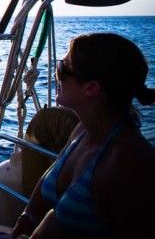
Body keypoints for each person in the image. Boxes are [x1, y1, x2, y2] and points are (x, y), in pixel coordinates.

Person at [11, 33, 155, 238]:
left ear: (91, 88)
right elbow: (46, 183)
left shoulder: (131, 162)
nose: (55, 74)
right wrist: (27, 219)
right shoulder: (82, 132)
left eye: (62, 68)